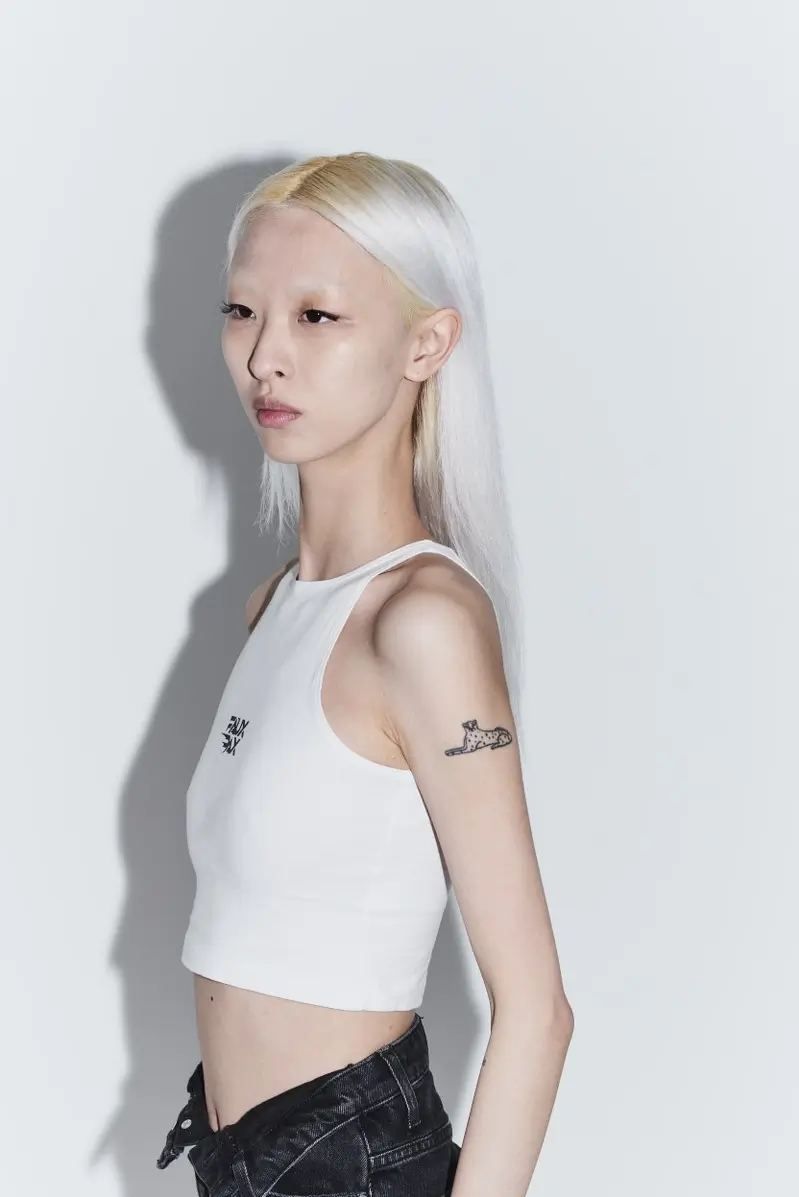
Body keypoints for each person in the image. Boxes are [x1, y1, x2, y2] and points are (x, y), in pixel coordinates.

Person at [157, 151, 574, 1196]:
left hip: (345, 1164)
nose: (265, 357)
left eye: (317, 317)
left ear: (425, 344)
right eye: (243, 312)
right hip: (242, 1159)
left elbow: (535, 1009)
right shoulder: (275, 608)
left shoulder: (421, 622)